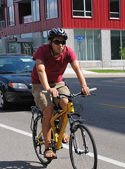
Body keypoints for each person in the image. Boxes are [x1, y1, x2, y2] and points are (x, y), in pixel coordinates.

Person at [31, 27, 90, 159]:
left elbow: (77, 68)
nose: (61, 45)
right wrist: (48, 88)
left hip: (58, 83)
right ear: (50, 42)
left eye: (63, 42)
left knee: (66, 103)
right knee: (49, 109)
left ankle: (61, 131)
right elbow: (40, 70)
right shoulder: (42, 51)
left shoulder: (68, 52)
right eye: (57, 42)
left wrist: (84, 85)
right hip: (40, 83)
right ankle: (47, 147)